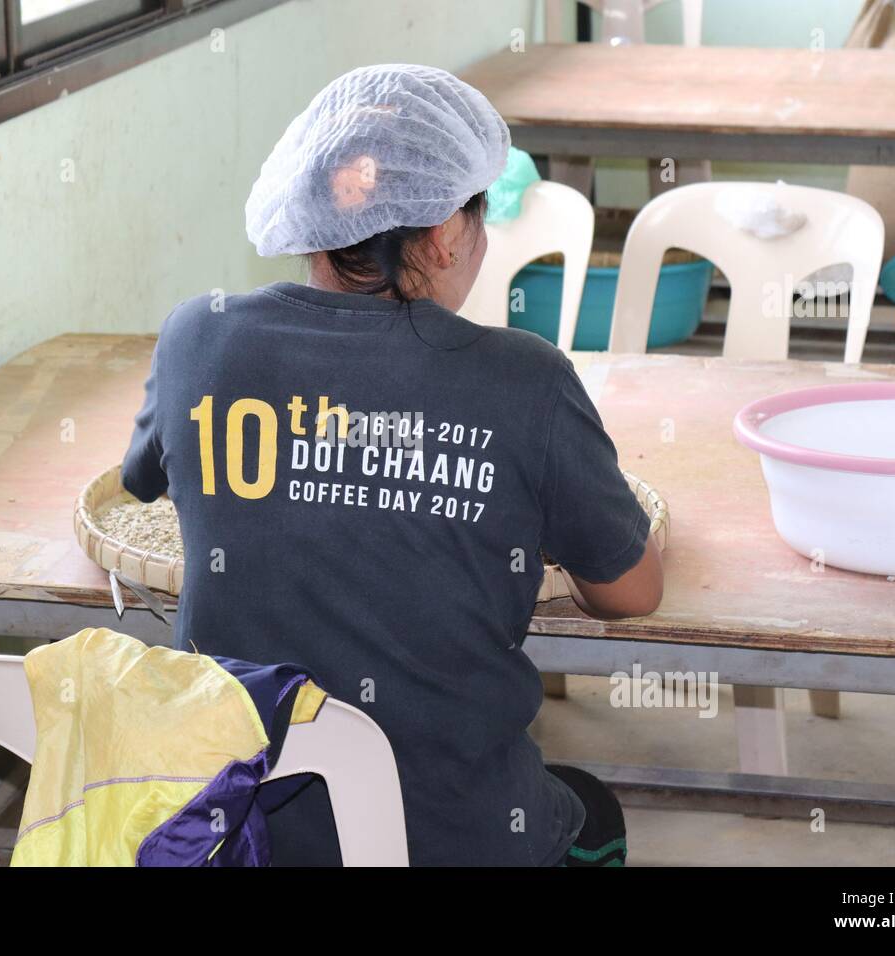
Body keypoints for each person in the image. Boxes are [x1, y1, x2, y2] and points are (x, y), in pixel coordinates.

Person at [122, 64, 663, 867]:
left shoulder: (200, 337)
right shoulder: (526, 379)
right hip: (458, 838)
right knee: (593, 808)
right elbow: (633, 592)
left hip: (242, 827)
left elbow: (148, 481)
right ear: (446, 231)